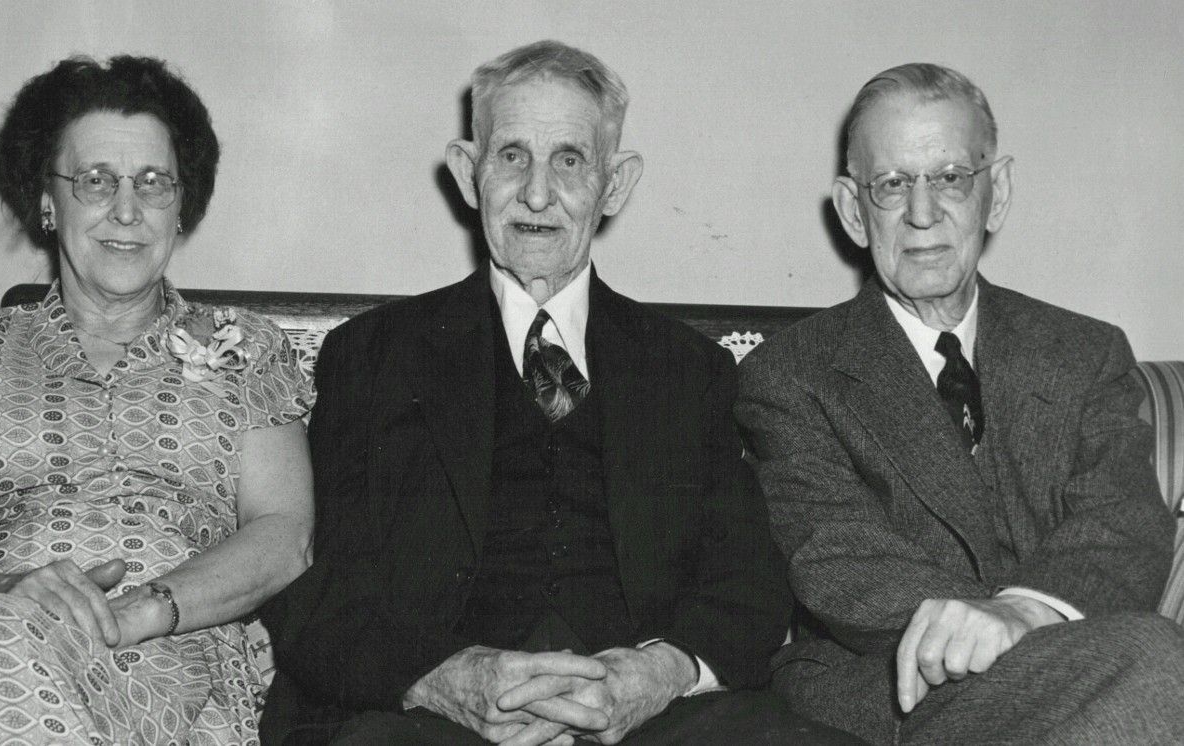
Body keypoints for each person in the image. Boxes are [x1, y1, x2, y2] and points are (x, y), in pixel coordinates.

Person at [261, 41, 854, 746]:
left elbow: (750, 581)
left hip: (652, 720)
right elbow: (317, 581)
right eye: (512, 156)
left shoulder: (687, 369)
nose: (537, 193)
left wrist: (659, 673)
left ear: (614, 184)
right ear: (466, 171)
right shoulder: (374, 356)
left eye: (569, 160)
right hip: (434, 717)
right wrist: (445, 678)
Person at [736, 62, 1184, 744]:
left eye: (949, 178)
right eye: (891, 185)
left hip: (1085, 661)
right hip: (893, 690)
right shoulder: (789, 374)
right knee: (1154, 665)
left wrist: (1024, 612)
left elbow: (1124, 520)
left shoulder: (1084, 351)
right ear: (854, 211)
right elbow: (836, 560)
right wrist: (993, 625)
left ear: (994, 193)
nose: (922, 214)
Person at [0, 56, 314, 744]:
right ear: (48, 202)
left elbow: (284, 533)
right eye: (96, 180)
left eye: (153, 182)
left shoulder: (245, 349)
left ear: (180, 205)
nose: (128, 210)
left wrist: (143, 610)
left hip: (171, 659)